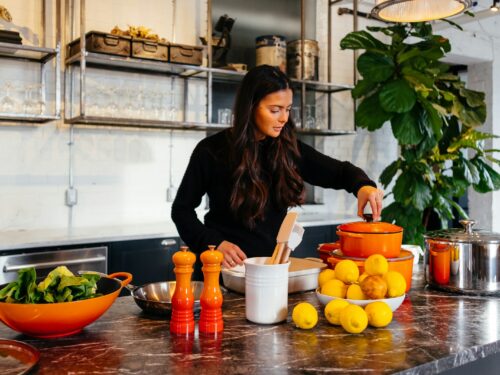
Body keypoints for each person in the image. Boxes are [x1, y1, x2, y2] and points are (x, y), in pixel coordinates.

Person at [171, 65, 383, 269]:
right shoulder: (211, 150)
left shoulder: (288, 149)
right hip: (220, 272)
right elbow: (182, 211)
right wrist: (215, 244)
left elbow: (340, 173)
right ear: (251, 106)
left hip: (270, 272)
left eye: (288, 109)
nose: (283, 118)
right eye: (275, 110)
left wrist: (363, 186)